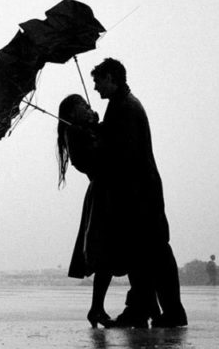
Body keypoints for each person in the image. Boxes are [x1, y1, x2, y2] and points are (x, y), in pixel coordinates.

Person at [91, 58, 187, 328]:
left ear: (111, 78)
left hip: (139, 196)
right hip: (140, 193)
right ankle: (148, 310)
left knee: (152, 254)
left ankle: (163, 312)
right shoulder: (122, 105)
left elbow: (123, 155)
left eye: (99, 80)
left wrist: (97, 135)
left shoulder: (125, 108)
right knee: (146, 254)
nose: (96, 87)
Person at [58, 94, 128, 328]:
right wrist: (96, 131)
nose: (88, 108)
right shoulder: (74, 133)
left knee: (108, 254)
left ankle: (96, 308)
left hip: (108, 192)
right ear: (71, 113)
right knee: (104, 254)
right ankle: (96, 308)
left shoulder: (84, 130)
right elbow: (93, 161)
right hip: (103, 195)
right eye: (83, 106)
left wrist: (96, 127)